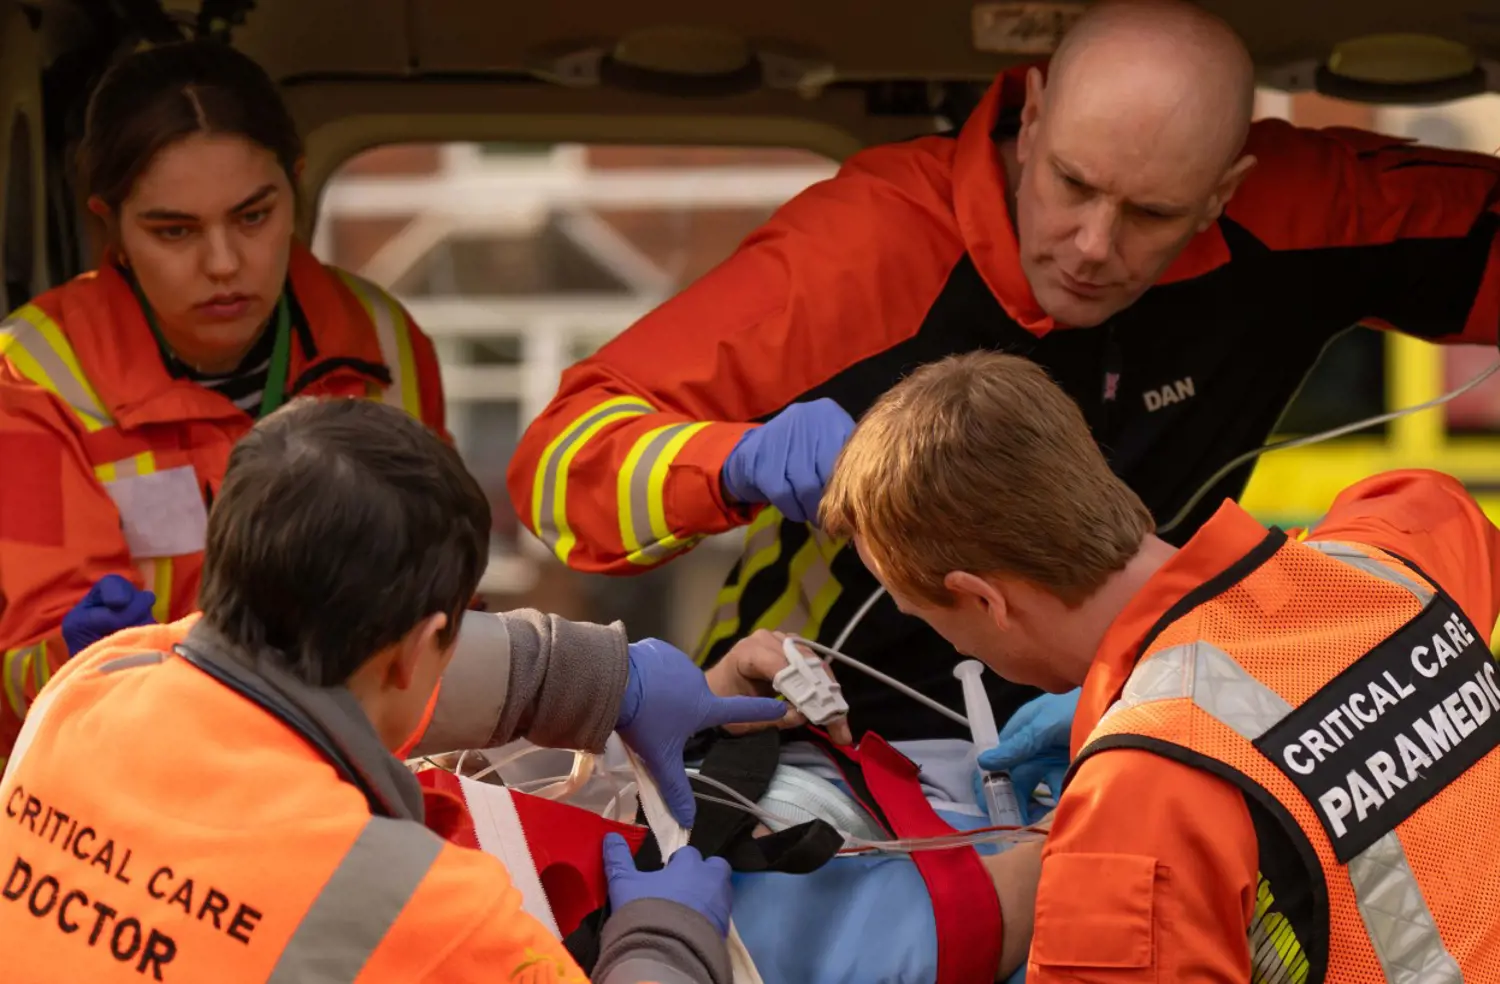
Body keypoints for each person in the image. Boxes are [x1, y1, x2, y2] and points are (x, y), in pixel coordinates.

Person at [504, 0, 1500, 751]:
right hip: (826, 730)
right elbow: (558, 472)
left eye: (1150, 213)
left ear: (1221, 192)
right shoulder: (862, 252)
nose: (1093, 246)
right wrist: (734, 463)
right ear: (1030, 116)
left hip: (1152, 729)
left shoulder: (1292, 213)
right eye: (1072, 184)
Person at [0, 394, 797, 982]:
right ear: (416, 649)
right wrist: (667, 943)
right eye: (449, 637)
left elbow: (279, 669)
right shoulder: (426, 909)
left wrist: (598, 678)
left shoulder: (98, 682)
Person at [819, 349, 1500, 981]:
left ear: (982, 599)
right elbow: (1433, 503)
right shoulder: (1381, 575)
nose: (954, 647)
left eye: (931, 619)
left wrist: (1135, 754)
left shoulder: (1134, 802)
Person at [0, 40, 447, 763]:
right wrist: (67, 651)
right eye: (173, 230)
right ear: (107, 226)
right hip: (116, 771)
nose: (223, 264)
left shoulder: (383, 342)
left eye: (253, 216)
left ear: (295, 188)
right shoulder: (33, 373)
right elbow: (22, 673)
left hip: (338, 768)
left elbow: (431, 602)